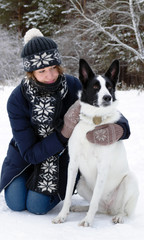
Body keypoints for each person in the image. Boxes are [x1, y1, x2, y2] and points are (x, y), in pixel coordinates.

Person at [0, 28, 130, 215]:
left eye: (53, 68)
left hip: (60, 160)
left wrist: (120, 128)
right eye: (42, 70)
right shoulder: (17, 99)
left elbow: (105, 108)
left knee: (36, 206)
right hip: (26, 158)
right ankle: (27, 180)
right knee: (16, 202)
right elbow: (29, 153)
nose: (50, 75)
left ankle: (45, 190)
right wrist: (64, 131)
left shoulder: (72, 86)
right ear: (31, 73)